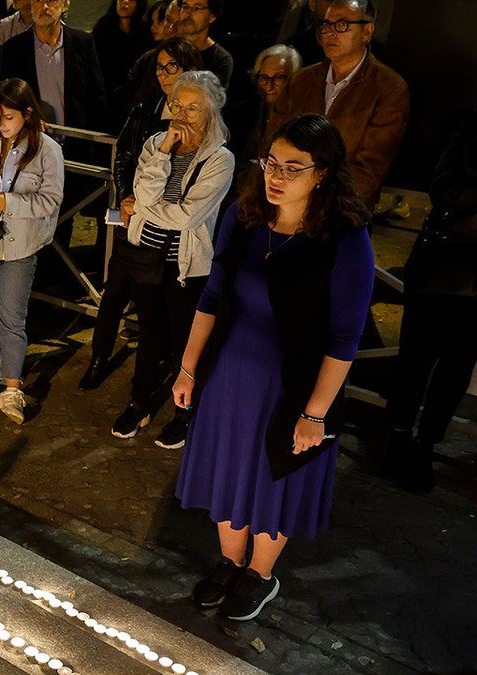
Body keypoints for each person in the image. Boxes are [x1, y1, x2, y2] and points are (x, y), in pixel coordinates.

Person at [173, 113, 374, 621]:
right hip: (230, 378)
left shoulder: (344, 239)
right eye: (270, 163)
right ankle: (229, 561)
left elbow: (345, 337)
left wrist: (316, 413)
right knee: (228, 469)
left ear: (323, 173)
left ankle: (260, 575)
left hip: (293, 386)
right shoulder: (242, 218)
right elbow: (212, 297)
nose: (276, 177)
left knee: (272, 477)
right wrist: (188, 368)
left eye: (293, 167)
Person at [106, 70, 234, 445]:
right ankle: (138, 402)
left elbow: (188, 216)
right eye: (177, 104)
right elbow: (139, 191)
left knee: (185, 341)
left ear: (210, 111)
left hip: (186, 266)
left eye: (192, 108)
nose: (182, 114)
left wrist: (145, 208)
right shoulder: (155, 143)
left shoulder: (220, 159)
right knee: (149, 334)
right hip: (146, 255)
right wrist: (163, 153)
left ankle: (185, 412)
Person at [80, 37, 201, 392]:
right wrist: (127, 198)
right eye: (160, 67)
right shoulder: (146, 108)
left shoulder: (201, 120)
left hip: (172, 228)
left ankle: (156, 377)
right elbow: (125, 157)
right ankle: (99, 357)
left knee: (157, 305)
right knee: (114, 291)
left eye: (173, 67)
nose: (164, 75)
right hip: (134, 217)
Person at [382, 106, 477, 494]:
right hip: (441, 263)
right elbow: (443, 192)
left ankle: (425, 445)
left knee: (457, 367)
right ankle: (398, 437)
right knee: (415, 357)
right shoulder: (468, 119)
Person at [0, 78, 64, 424]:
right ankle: (2, 365)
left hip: (20, 243)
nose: (1, 124)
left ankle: (12, 388)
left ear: (27, 113)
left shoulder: (47, 150)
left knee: (11, 316)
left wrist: (9, 202)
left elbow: (51, 201)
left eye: (8, 117)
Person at [265, 0, 409, 209]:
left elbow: (370, 170)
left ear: (367, 31)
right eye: (326, 25)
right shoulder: (301, 81)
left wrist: (318, 205)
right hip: (286, 206)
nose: (331, 33)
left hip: (342, 211)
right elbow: (271, 141)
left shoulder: (389, 88)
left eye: (342, 25)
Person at [0, 0, 107, 137]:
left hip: (76, 143)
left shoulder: (83, 44)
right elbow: (6, 99)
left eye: (51, 0)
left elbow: (97, 98)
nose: (44, 7)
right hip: (30, 142)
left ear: (65, 4)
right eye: (38, 1)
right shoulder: (14, 49)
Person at [225, 43, 300, 164]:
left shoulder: (300, 118)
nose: (269, 86)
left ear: (293, 79)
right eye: (264, 78)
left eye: (278, 78)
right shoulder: (239, 113)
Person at [92, 0, 152, 100]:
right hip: (106, 90)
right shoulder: (102, 28)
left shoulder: (147, 31)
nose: (125, 2)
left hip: (137, 91)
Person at [175, 0, 232, 89]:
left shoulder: (220, 59)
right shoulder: (167, 50)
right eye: (185, 7)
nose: (187, 13)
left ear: (212, 16)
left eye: (196, 8)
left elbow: (213, 97)